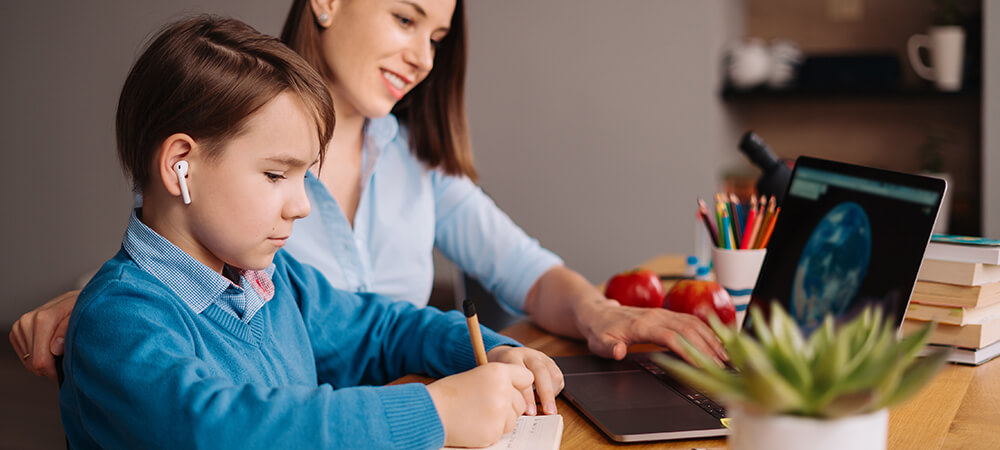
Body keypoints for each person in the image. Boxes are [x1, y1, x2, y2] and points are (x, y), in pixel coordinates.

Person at [10, 0, 727, 386]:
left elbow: (523, 270)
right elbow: (171, 268)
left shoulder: (417, 160)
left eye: (439, 35)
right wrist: (93, 296)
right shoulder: (237, 122)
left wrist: (601, 313)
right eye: (406, 18)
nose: (424, 56)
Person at [60, 15, 562, 449]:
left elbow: (379, 330)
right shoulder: (118, 320)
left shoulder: (276, 282)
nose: (301, 206)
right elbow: (221, 433)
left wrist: (492, 350)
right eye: (277, 175)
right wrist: (435, 411)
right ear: (181, 167)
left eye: (305, 177)